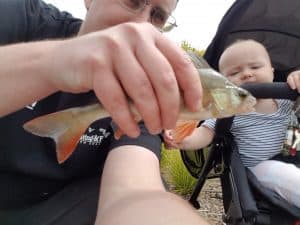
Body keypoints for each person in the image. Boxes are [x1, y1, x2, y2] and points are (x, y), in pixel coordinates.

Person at [0, 0, 209, 225]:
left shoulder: (143, 93)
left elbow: (135, 191)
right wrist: (53, 64)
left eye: (157, 16)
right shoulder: (20, 17)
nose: (141, 24)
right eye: (133, 1)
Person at [164, 39, 300, 208]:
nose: (246, 74)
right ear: (223, 83)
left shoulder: (288, 101)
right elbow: (204, 134)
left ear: (272, 71)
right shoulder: (227, 111)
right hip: (260, 169)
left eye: (255, 67)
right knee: (286, 176)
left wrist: (296, 77)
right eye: (235, 73)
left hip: (294, 157)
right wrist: (181, 139)